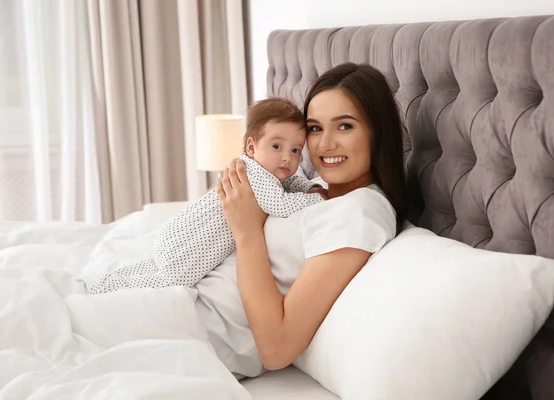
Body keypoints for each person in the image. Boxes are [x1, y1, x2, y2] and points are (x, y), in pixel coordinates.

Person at [212, 62, 408, 374]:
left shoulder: (360, 211)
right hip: (190, 300)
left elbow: (277, 348)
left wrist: (247, 231)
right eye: (315, 128)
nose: (324, 144)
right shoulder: (320, 188)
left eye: (344, 126)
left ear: (377, 131)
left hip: (209, 332)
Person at [87, 98, 326, 295]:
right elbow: (280, 204)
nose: (287, 157)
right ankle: (108, 289)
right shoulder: (255, 174)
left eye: (296, 150)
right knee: (172, 281)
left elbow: (294, 182)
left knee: (154, 269)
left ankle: (113, 278)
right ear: (251, 148)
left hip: (173, 233)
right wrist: (319, 198)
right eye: (277, 146)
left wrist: (309, 187)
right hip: (188, 241)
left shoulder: (268, 170)